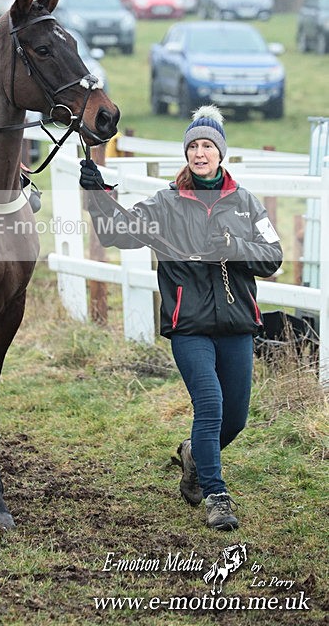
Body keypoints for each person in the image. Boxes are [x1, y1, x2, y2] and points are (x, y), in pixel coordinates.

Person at [80, 105, 282, 531]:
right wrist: (97, 199)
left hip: (237, 325)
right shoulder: (166, 204)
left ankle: (193, 454)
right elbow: (117, 233)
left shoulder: (246, 203)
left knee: (236, 418)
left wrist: (234, 245)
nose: (200, 152)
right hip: (188, 325)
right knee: (209, 406)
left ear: (221, 153)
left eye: (208, 145)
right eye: (193, 146)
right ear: (186, 153)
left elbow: (273, 258)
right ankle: (216, 494)